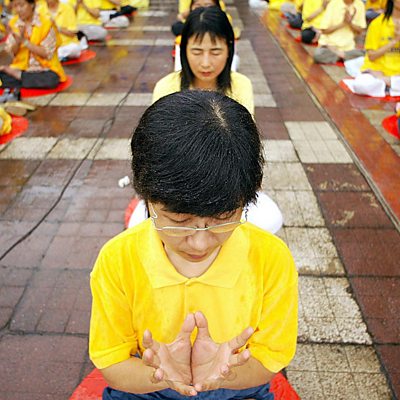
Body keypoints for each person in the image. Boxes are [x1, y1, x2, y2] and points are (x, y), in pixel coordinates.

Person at [89, 90, 298, 400]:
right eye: (179, 220)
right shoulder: (118, 259)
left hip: (236, 388)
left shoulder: (271, 259)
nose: (199, 242)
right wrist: (163, 376)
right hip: (148, 388)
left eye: (222, 218)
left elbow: (269, 359)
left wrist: (223, 374)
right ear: (145, 196)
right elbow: (113, 362)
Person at [130, 6, 283, 234]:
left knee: (270, 220)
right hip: (177, 188)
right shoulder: (166, 86)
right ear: (183, 49)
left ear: (230, 49)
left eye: (215, 51)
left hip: (224, 187)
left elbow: (244, 147)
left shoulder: (241, 85)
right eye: (197, 51)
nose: (205, 62)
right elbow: (155, 150)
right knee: (139, 227)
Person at [0, 0, 67, 102]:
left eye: (21, 5)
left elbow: (46, 53)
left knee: (51, 79)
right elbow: (13, 53)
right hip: (21, 67)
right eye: (15, 6)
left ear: (31, 5)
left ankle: (18, 76)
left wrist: (25, 42)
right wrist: (17, 42)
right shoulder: (14, 23)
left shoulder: (46, 23)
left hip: (44, 69)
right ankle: (22, 77)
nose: (18, 9)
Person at [346, 0, 400, 97]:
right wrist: (394, 41)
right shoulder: (378, 23)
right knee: (362, 86)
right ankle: (390, 85)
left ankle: (387, 83)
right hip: (377, 71)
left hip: (396, 74)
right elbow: (372, 56)